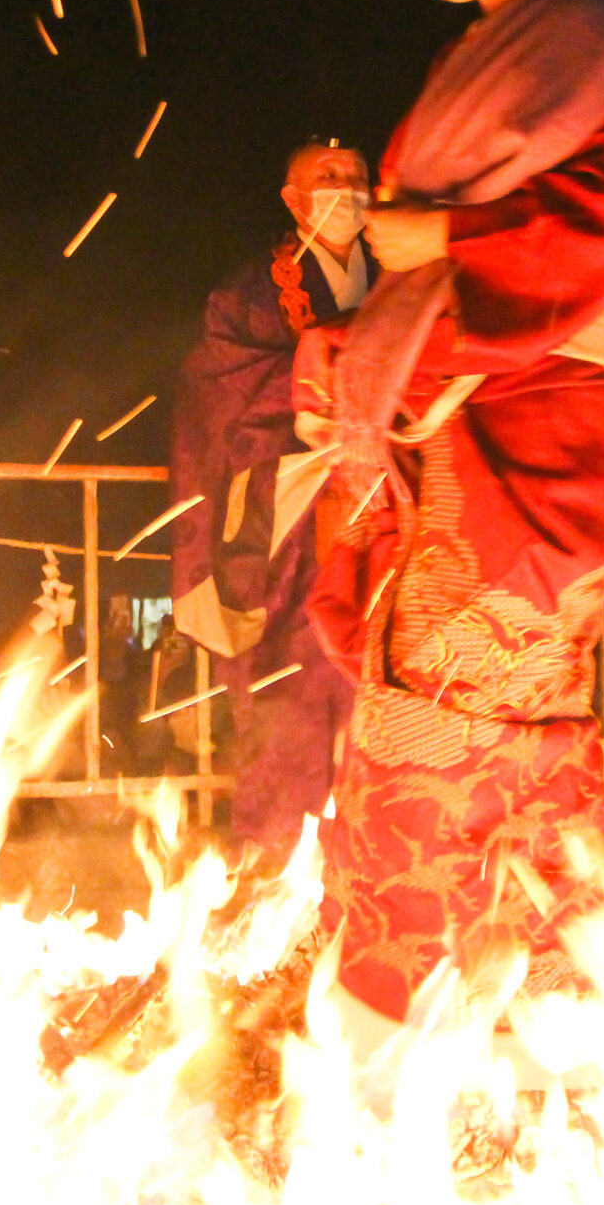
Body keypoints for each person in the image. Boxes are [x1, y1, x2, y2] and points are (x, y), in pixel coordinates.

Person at [295, 0, 604, 1027]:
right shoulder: (481, 58)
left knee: (453, 708)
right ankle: (565, 1004)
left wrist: (448, 244)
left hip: (547, 415)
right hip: (477, 415)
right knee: (501, 721)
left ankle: (407, 1017)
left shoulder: (591, 26)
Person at [169, 139, 371, 854]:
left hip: (381, 520)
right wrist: (330, 385)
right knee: (292, 691)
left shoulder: (398, 282)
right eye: (327, 177)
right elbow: (220, 397)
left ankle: (371, 876)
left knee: (376, 695)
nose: (346, 187)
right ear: (292, 199)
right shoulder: (249, 294)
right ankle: (272, 878)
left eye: (355, 176)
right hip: (288, 522)